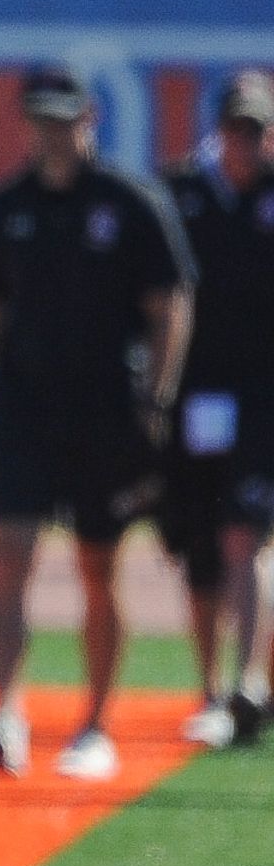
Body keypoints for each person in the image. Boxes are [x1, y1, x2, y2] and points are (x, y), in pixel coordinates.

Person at [0, 63, 192, 782]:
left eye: (66, 116)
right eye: (41, 117)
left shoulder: (130, 201)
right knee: (9, 557)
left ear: (90, 118)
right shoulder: (5, 208)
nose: (54, 131)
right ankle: (6, 710)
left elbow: (170, 302)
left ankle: (95, 721)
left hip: (107, 410)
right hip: (22, 408)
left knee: (97, 564)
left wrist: (158, 396)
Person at [159, 72, 273, 748]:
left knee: (246, 535)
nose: (247, 142)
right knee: (200, 544)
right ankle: (207, 687)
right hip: (195, 392)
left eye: (258, 129)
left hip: (263, 396)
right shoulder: (180, 193)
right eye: (238, 127)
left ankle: (248, 683)